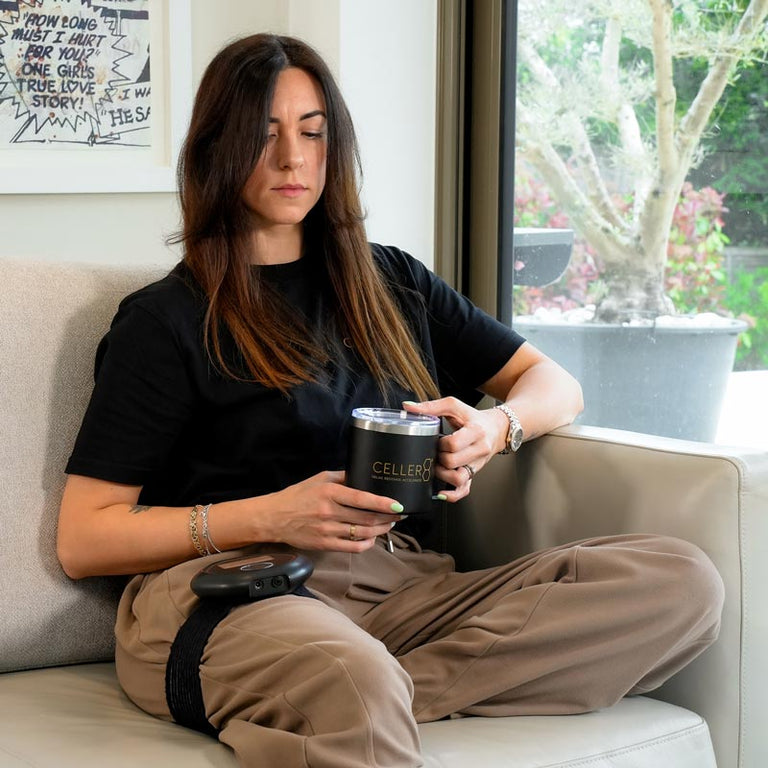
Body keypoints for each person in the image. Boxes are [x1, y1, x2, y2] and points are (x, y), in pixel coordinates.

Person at [57, 33, 724, 768]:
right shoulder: (167, 320)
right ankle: (351, 691)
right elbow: (86, 538)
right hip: (227, 592)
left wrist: (495, 428)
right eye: (265, 134)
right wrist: (269, 514)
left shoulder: (391, 283)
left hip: (396, 588)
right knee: (346, 670)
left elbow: (556, 387)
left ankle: (365, 698)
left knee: (678, 583)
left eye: (313, 133)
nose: (293, 158)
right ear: (218, 147)